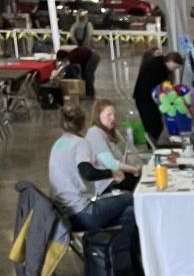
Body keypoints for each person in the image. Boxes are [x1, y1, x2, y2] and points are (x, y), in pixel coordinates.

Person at [48, 102, 138, 258]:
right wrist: (111, 173)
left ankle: (121, 260)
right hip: (83, 213)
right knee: (130, 196)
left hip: (63, 215)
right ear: (83, 122)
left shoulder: (59, 143)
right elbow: (87, 173)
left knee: (130, 212)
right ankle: (129, 258)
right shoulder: (80, 143)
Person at [86, 99, 142, 195]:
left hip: (117, 178)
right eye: (109, 115)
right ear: (98, 116)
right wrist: (135, 169)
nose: (113, 118)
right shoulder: (94, 133)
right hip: (107, 185)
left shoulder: (107, 132)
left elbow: (125, 154)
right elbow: (110, 163)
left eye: (114, 115)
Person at [132, 50, 185, 148]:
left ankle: (154, 146)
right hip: (145, 100)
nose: (175, 69)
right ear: (171, 61)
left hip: (144, 99)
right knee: (153, 126)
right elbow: (163, 88)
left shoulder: (158, 63)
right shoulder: (159, 68)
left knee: (155, 125)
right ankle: (154, 148)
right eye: (175, 67)